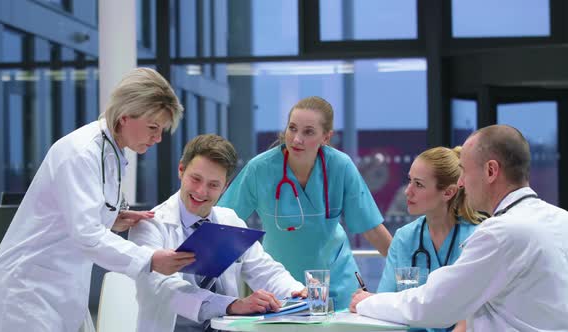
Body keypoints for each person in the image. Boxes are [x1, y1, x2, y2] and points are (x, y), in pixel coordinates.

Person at [0, 68, 196, 332]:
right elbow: (86, 234)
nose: (158, 138)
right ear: (125, 116)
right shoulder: (81, 152)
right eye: (153, 128)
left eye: (162, 130)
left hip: (62, 287)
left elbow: (81, 219)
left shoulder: (113, 152)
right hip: (26, 288)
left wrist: (113, 220)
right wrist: (150, 259)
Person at [351, 125, 568, 331]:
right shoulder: (561, 219)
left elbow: (435, 305)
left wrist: (367, 303)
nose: (461, 183)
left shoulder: (500, 233)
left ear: (491, 171)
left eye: (464, 170)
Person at [218, 96, 392, 310]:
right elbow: (222, 224)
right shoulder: (260, 169)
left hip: (338, 283)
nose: (296, 139)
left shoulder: (340, 167)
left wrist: (407, 276)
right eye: (292, 128)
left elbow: (372, 229)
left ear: (326, 137)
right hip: (281, 286)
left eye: (308, 132)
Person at [129, 134, 307, 332]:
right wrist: (230, 305)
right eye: (195, 179)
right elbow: (163, 288)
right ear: (181, 170)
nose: (201, 191)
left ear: (225, 186)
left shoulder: (229, 220)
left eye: (213, 185)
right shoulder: (149, 224)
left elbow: (265, 269)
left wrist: (297, 292)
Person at [376, 146, 484, 332]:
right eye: (409, 181)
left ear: (448, 192)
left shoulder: (477, 238)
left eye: (419, 184)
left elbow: (472, 316)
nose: (407, 192)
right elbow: (384, 304)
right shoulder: (404, 238)